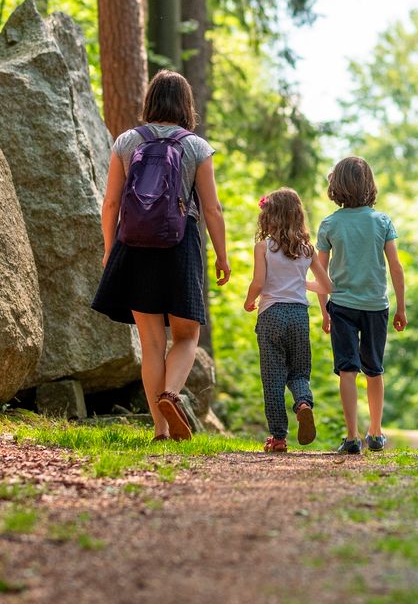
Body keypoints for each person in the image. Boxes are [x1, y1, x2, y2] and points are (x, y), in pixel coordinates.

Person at [92, 70, 230, 441]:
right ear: (186, 104)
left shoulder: (126, 141)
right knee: (187, 337)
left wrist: (110, 250)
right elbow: (213, 209)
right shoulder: (196, 147)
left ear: (150, 100)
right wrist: (222, 256)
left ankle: (160, 429)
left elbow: (110, 203)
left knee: (151, 343)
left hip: (133, 244)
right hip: (180, 242)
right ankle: (171, 394)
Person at [314, 156, 407, 455]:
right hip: (376, 306)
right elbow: (396, 267)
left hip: (341, 305)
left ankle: (352, 436)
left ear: (335, 186)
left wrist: (323, 309)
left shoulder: (329, 224)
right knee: (374, 369)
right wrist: (401, 306)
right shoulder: (381, 221)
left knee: (347, 370)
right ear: (369, 185)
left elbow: (319, 271)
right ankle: (376, 432)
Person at [242, 188, 333, 453]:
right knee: (299, 372)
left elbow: (258, 283)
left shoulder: (264, 247)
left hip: (271, 315)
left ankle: (279, 438)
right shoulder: (307, 250)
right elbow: (326, 286)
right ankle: (303, 404)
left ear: (269, 217)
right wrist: (300, 283)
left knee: (272, 379)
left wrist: (249, 301)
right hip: (298, 316)